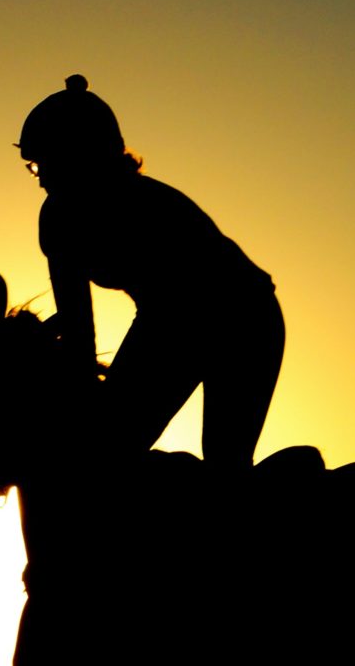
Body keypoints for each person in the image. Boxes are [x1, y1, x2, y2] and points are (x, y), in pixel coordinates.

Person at [18, 75, 285, 473]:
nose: (38, 176)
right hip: (167, 319)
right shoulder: (56, 218)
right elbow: (78, 327)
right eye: (32, 164)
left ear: (80, 156)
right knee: (107, 446)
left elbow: (182, 318)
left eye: (46, 162)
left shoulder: (151, 205)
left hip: (244, 317)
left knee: (225, 462)